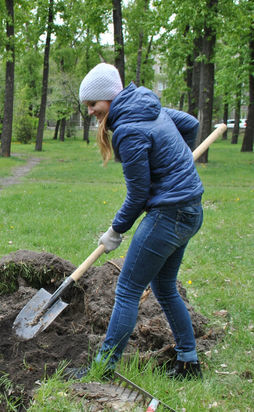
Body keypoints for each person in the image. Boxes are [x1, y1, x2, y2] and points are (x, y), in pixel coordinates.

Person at [73, 63, 204, 380]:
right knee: (163, 288)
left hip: (169, 214)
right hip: (190, 209)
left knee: (129, 290)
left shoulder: (129, 130)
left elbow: (138, 195)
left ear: (108, 97)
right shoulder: (147, 105)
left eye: (93, 104)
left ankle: (103, 368)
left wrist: (115, 231)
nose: (90, 111)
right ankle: (188, 362)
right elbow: (191, 125)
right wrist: (173, 166)